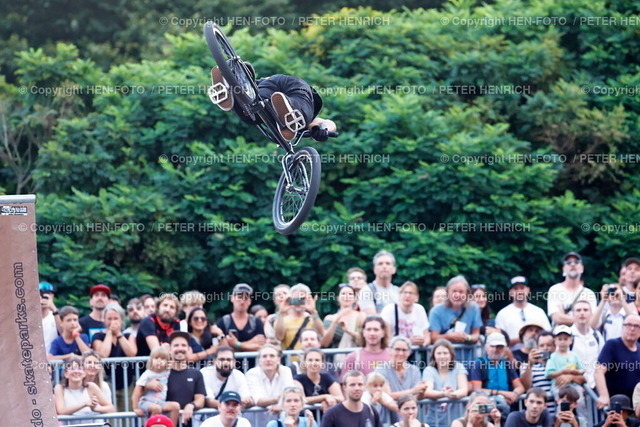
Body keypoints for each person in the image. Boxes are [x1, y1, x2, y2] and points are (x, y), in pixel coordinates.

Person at [210, 66, 336, 141]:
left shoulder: (267, 117)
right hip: (293, 86)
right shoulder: (308, 122)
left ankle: (231, 90)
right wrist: (323, 130)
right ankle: (289, 108)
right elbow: (329, 123)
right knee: (301, 112)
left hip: (264, 86)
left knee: (251, 113)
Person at [469, 332, 525, 418]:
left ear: (504, 349)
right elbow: (477, 389)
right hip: (485, 408)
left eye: (499, 346)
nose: (495, 349)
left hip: (506, 407)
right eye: (492, 346)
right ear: (486, 347)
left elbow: (520, 387)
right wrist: (503, 394)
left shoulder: (507, 364)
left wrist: (514, 395)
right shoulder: (478, 363)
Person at [595, 315, 640, 408]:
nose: (632, 329)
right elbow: (599, 371)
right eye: (628, 325)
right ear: (622, 327)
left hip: (635, 405)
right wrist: (604, 396)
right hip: (615, 405)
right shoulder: (612, 345)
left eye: (636, 326)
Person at [422, 338, 469, 427]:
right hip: (434, 420)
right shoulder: (429, 370)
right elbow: (427, 391)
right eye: (439, 353)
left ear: (451, 354)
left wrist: (453, 394)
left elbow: (464, 390)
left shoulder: (459, 367)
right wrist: (444, 394)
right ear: (434, 355)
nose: (442, 356)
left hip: (456, 420)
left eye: (445, 353)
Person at [54, 356, 115, 424]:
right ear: (66, 374)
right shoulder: (60, 388)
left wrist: (96, 408)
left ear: (84, 373)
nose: (76, 371)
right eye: (72, 369)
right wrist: (85, 404)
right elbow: (61, 411)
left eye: (79, 368)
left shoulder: (91, 386)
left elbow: (111, 408)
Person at [495, 276, 551, 348]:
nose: (519, 292)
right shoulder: (502, 314)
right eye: (515, 289)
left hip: (537, 351)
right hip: (512, 353)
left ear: (528, 290)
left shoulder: (539, 312)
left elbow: (548, 334)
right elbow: (500, 340)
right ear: (510, 292)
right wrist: (521, 339)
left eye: (522, 288)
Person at [132, 346, 180, 426]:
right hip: (146, 402)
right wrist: (136, 408)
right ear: (151, 360)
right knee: (156, 408)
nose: (159, 361)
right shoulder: (147, 374)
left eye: (162, 359)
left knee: (175, 406)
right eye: (156, 358)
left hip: (160, 402)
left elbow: (175, 363)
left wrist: (170, 352)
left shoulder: (167, 371)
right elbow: (137, 391)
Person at [322, 284, 366, 368]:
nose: (347, 296)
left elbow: (365, 340)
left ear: (355, 298)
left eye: (350, 294)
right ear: (338, 298)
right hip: (335, 362)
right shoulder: (330, 318)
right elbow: (325, 343)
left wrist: (349, 331)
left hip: (357, 359)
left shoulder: (361, 316)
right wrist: (335, 321)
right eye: (343, 294)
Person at [429, 275, 482, 344]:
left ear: (467, 293)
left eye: (461, 292)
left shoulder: (473, 307)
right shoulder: (436, 311)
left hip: (467, 350)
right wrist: (450, 336)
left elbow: (476, 335)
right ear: (447, 293)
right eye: (454, 291)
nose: (457, 295)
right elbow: (433, 338)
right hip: (443, 350)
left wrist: (467, 337)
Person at [547, 253, 597, 326]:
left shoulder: (589, 293)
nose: (572, 264)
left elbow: (593, 321)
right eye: (568, 263)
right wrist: (583, 319)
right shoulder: (555, 290)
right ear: (564, 269)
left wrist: (564, 316)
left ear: (582, 268)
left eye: (576, 262)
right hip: (561, 333)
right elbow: (557, 318)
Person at [216, 283, 266, 355]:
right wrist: (251, 343)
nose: (242, 302)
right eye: (239, 297)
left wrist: (237, 344)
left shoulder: (256, 322)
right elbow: (220, 347)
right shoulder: (223, 321)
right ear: (232, 298)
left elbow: (261, 346)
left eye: (246, 298)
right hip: (229, 361)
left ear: (250, 301)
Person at [275, 283, 325, 352]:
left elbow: (322, 334)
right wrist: (281, 313)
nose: (298, 302)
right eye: (295, 299)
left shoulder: (313, 318)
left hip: (309, 357)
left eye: (302, 299)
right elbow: (279, 337)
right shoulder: (282, 320)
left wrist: (313, 312)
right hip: (290, 357)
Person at [376, 336, 427, 401]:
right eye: (397, 349)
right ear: (390, 350)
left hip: (410, 407)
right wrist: (413, 391)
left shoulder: (414, 370)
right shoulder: (381, 369)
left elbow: (417, 396)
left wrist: (422, 390)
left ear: (409, 352)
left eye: (404, 350)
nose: (401, 353)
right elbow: (387, 396)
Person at [293, 348, 343, 412]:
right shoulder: (298, 379)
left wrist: (326, 400)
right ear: (304, 363)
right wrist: (324, 397)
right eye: (310, 360)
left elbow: (341, 398)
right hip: (305, 415)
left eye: (317, 360)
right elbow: (301, 399)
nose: (314, 363)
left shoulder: (327, 377)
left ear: (322, 363)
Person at [381, 281, 430, 346]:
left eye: (411, 293)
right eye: (405, 292)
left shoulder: (419, 309)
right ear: (399, 295)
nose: (407, 295)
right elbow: (386, 338)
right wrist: (408, 341)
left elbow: (426, 334)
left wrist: (423, 343)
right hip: (394, 348)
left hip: (415, 349)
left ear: (417, 298)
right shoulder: (389, 309)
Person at [246, 344, 295, 410]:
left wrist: (281, 403)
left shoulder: (286, 371)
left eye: (272, 356)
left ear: (278, 360)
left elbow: (290, 394)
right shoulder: (252, 373)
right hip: (257, 415)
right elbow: (258, 401)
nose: (268, 359)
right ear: (259, 360)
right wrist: (279, 399)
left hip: (280, 414)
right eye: (264, 356)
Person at [569, 300, 603, 390]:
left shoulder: (597, 336)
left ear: (591, 314)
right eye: (578, 310)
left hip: (595, 386)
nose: (582, 313)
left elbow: (602, 362)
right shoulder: (567, 335)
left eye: (585, 310)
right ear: (573, 314)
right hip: (574, 387)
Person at [520, 331, 556, 415]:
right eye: (542, 345)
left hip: (558, 412)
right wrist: (530, 364)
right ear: (537, 347)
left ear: (554, 346)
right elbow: (525, 387)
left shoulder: (561, 363)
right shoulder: (528, 366)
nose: (545, 348)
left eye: (549, 345)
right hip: (539, 415)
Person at [545, 325, 585, 393]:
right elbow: (548, 373)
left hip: (574, 386)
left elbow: (582, 370)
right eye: (560, 339)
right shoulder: (553, 356)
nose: (562, 342)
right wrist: (562, 372)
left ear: (571, 340)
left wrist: (576, 371)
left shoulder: (574, 355)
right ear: (555, 341)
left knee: (578, 395)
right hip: (559, 386)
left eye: (565, 339)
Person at [39, 281, 61, 353]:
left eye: (47, 294)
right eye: (40, 294)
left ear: (52, 296)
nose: (43, 297)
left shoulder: (56, 315)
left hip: (52, 357)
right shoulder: (29, 317)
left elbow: (63, 333)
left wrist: (53, 308)